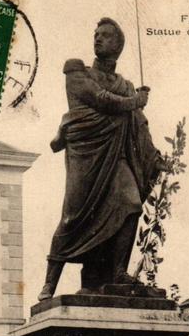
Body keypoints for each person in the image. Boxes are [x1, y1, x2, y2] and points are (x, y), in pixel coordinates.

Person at [38, 17, 166, 300]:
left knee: (131, 203)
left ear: (118, 45)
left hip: (115, 156)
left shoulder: (126, 86)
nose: (97, 39)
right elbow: (100, 99)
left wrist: (155, 156)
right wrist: (135, 101)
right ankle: (50, 283)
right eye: (95, 34)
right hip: (86, 156)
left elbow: (138, 123)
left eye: (105, 35)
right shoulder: (76, 71)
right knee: (72, 217)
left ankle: (119, 270)